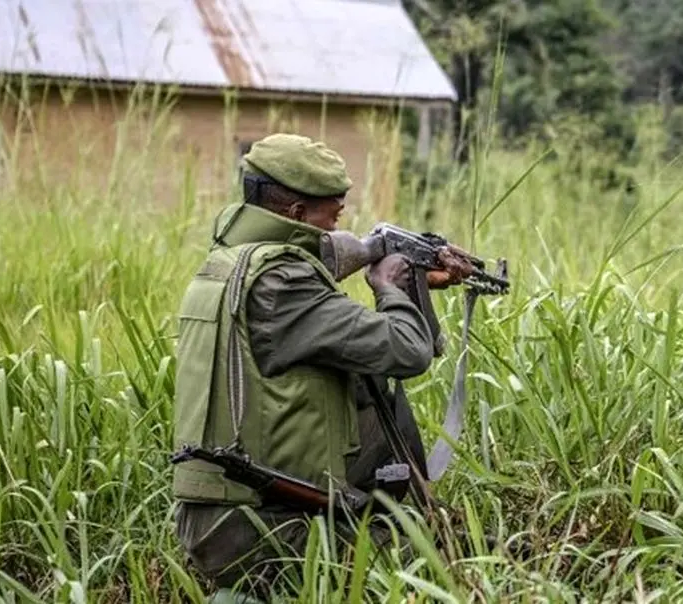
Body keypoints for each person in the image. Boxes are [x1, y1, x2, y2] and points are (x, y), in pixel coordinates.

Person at [170, 133, 474, 600]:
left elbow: (320, 268)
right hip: (262, 527)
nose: (337, 228)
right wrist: (390, 284)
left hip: (224, 513)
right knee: (430, 556)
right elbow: (409, 351)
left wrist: (387, 257)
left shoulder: (228, 265)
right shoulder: (283, 284)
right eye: (332, 217)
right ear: (294, 215)